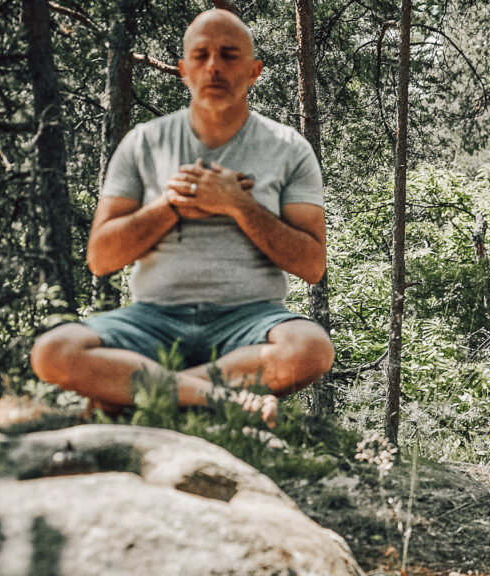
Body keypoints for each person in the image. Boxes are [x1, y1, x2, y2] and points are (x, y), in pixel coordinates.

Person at [30, 9, 334, 427]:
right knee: (52, 352)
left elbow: (312, 264)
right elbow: (101, 258)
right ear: (183, 69)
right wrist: (169, 205)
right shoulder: (143, 143)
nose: (214, 66)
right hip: (151, 319)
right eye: (201, 55)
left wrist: (238, 205)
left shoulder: (289, 148)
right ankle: (211, 396)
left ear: (254, 71)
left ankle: (147, 393)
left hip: (250, 320)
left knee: (310, 349)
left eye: (229, 55)